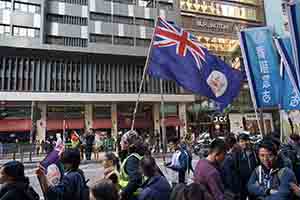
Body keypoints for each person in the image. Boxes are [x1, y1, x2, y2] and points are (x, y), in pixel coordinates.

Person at [230, 133, 258, 200]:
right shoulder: (236, 154)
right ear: (238, 143)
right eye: (241, 141)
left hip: (254, 182)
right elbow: (235, 169)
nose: (244, 143)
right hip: (242, 183)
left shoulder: (254, 152)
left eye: (246, 140)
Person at [119, 130, 145, 200]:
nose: (119, 143)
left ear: (127, 143)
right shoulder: (136, 155)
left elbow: (135, 180)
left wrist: (122, 194)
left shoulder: (132, 160)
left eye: (121, 141)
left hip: (133, 196)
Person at [221, 134, 241, 199]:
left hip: (232, 187)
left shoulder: (229, 156)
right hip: (235, 186)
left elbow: (230, 175)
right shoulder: (231, 154)